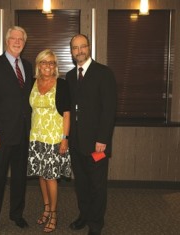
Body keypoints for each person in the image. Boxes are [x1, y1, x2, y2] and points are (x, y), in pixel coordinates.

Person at [0, 26, 33, 235]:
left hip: (23, 134)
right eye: (13, 38)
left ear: (24, 42)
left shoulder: (28, 67)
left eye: (21, 38)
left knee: (20, 178)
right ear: (6, 40)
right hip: (0, 137)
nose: (17, 41)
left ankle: (17, 214)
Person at [66, 34, 117, 235]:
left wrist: (103, 139)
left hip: (97, 144)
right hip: (76, 143)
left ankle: (96, 224)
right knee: (81, 184)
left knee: (97, 185)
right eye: (75, 48)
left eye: (82, 46)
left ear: (89, 48)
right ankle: (84, 215)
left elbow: (109, 110)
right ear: (71, 52)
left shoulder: (104, 73)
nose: (79, 51)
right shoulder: (70, 76)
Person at [27, 49, 71, 233]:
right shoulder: (32, 82)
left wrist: (64, 139)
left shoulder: (61, 84)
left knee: (51, 177)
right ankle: (46, 207)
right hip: (36, 138)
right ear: (39, 65)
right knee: (41, 175)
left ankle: (53, 213)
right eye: (44, 62)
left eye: (51, 63)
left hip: (54, 138)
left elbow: (67, 114)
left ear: (55, 66)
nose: (48, 66)